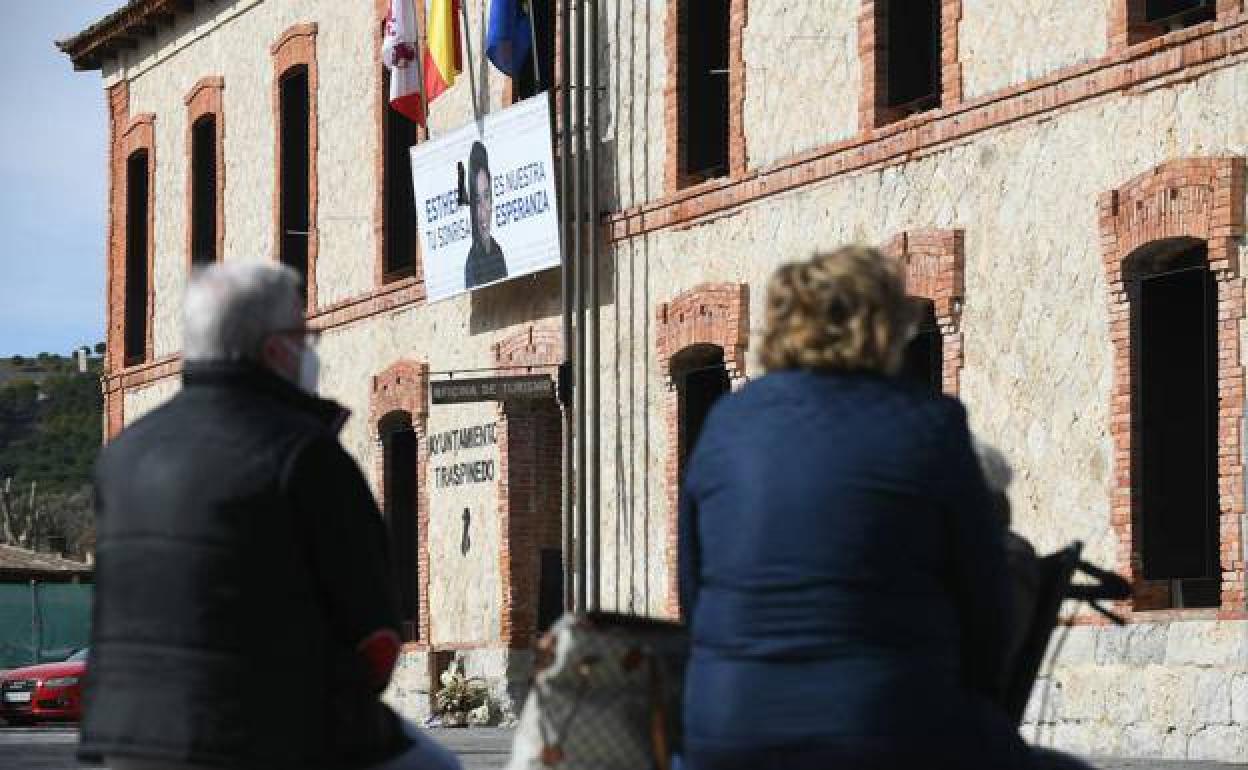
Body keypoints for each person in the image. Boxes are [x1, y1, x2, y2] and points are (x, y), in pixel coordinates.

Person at [81, 263, 460, 770]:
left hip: (122, 743)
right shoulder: (304, 453)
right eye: (305, 335)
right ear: (277, 349)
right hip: (263, 739)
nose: (310, 350)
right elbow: (377, 637)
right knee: (436, 765)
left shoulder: (121, 455)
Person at [677, 245, 1033, 770]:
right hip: (888, 728)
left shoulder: (726, 423)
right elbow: (985, 611)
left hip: (724, 734)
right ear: (885, 324)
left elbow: (693, 593)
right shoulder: (932, 424)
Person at [464, 141, 507, 288]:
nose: (484, 210)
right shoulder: (472, 265)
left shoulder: (498, 252)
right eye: (477, 200)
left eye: (486, 196)